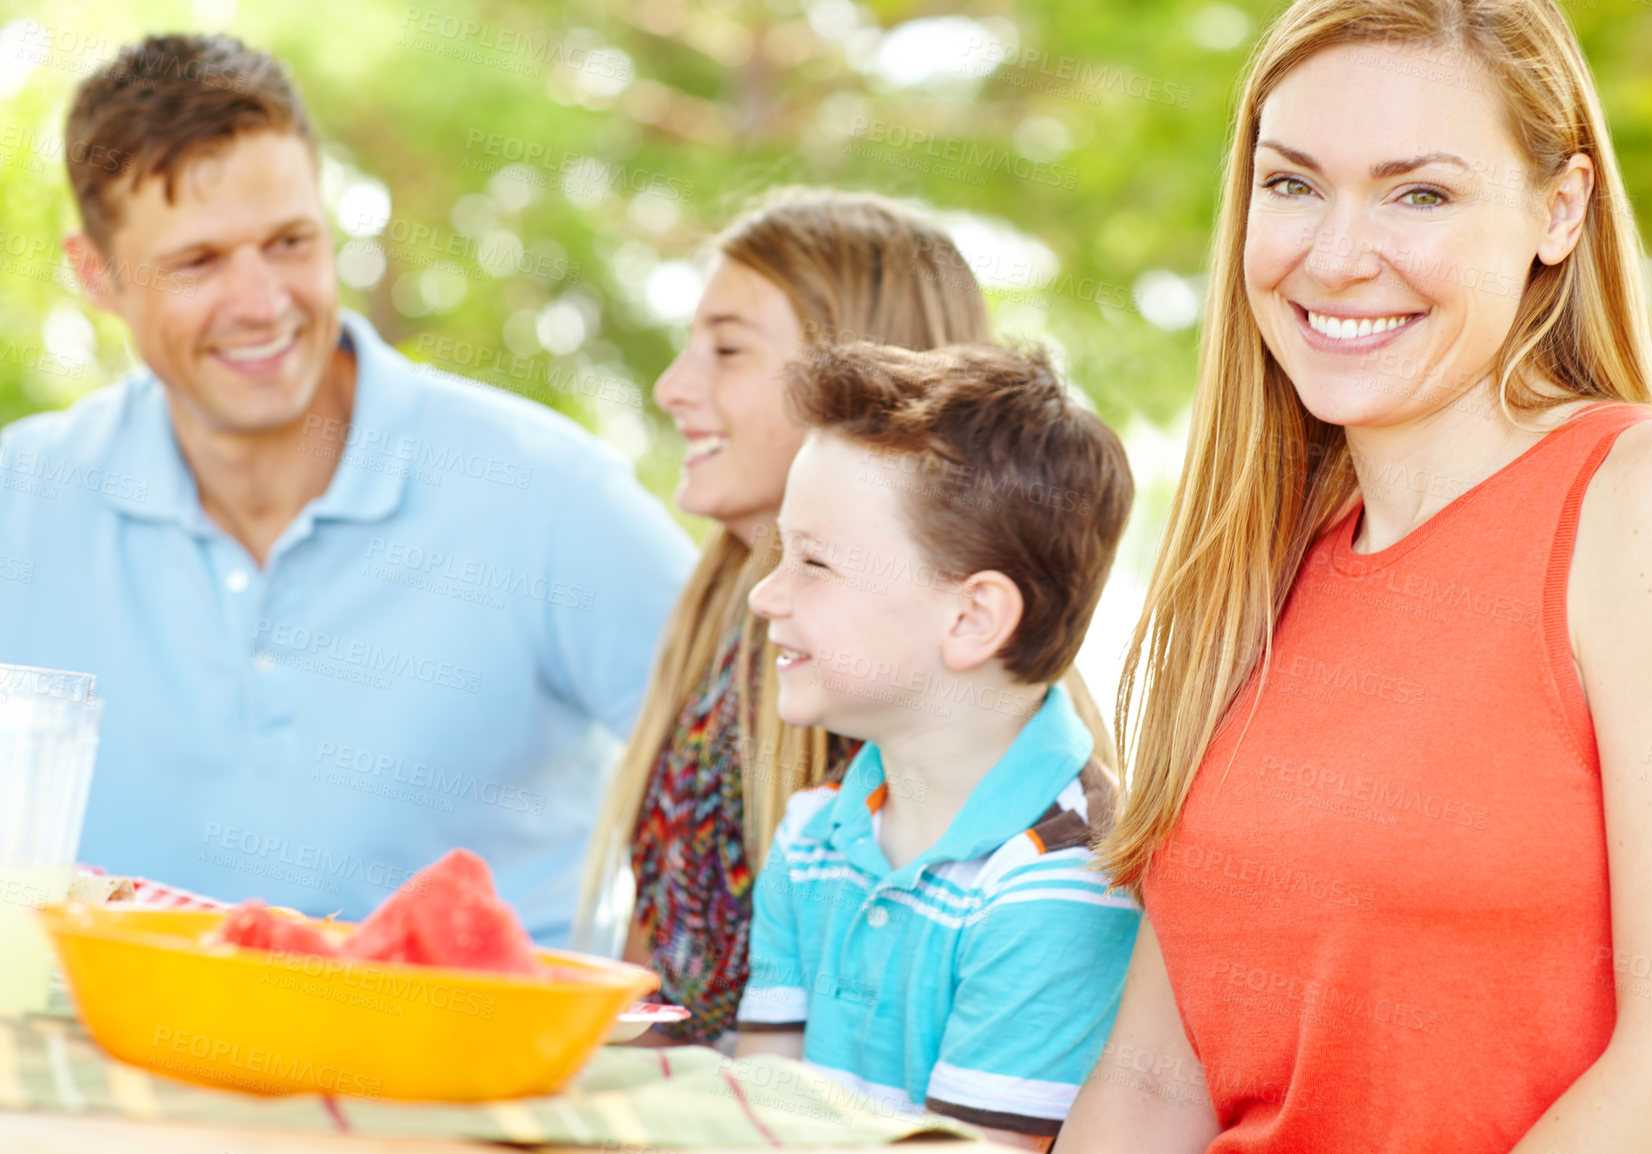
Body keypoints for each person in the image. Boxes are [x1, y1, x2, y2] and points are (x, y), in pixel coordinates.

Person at [1056, 0, 1652, 1151]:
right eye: (1291, 184)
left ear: (1558, 210)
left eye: (1418, 191)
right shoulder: (1252, 575)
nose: (1333, 254)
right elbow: (1155, 1082)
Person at [0, 34, 694, 944]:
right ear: (98, 275)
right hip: (98, 1074)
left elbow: (760, 779)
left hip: (472, 1079)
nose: (260, 302)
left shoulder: (549, 498)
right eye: (199, 263)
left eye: (289, 243)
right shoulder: (23, 500)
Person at [574, 190, 1119, 1043]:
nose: (674, 387)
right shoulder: (718, 609)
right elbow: (663, 969)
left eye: (727, 349)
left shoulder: (895, 689)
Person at [733, 342, 1140, 1153]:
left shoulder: (1060, 881)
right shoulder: (815, 833)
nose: (764, 593)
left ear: (972, 619)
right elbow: (759, 1112)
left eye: (813, 562)